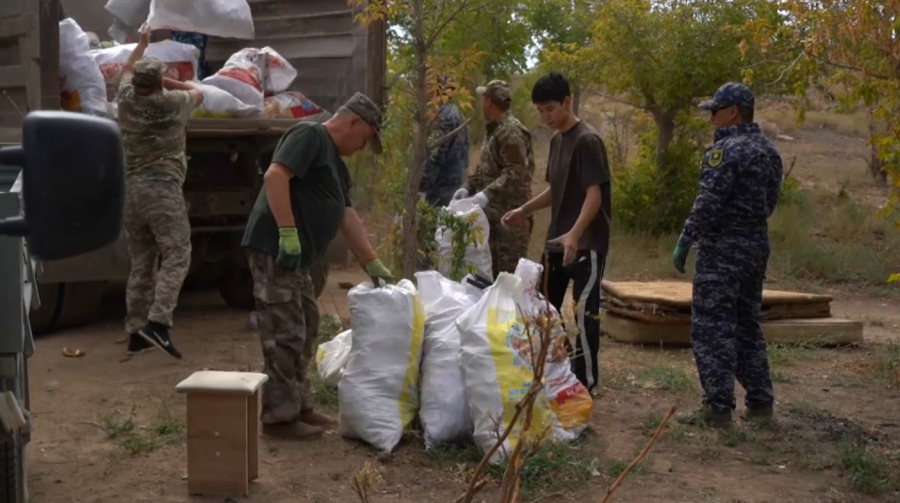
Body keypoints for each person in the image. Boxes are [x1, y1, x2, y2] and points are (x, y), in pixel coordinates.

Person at [242, 92, 394, 440]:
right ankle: (279, 418)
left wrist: (372, 263)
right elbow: (275, 177)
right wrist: (288, 232)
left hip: (299, 259)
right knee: (284, 332)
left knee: (307, 325)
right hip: (276, 249)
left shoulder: (336, 166)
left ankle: (300, 405)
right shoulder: (310, 136)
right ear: (354, 121)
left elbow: (346, 215)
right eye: (366, 138)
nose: (361, 148)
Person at [672, 82, 783, 429]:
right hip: (755, 246)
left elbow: (708, 202)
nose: (711, 120)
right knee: (748, 325)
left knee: (713, 327)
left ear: (733, 112)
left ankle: (718, 408)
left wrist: (685, 239)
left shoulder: (725, 151)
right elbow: (769, 204)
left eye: (715, 112)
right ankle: (761, 402)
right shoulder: (769, 151)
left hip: (722, 250)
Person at [503, 72, 612, 392]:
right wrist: (525, 209)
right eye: (540, 111)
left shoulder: (587, 140)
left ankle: (586, 384)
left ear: (567, 102)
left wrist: (576, 235)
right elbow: (556, 189)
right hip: (556, 240)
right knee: (544, 310)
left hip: (586, 243)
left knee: (583, 316)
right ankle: (561, 372)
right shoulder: (556, 140)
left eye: (550, 109)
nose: (545, 116)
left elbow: (594, 194)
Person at [118, 26, 204, 359]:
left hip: (133, 193)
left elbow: (126, 71)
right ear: (157, 83)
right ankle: (158, 323)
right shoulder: (171, 104)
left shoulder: (125, 99)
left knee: (142, 262)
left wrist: (140, 44)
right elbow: (199, 93)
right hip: (162, 191)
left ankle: (136, 332)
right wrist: (169, 82)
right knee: (178, 253)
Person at [454, 80, 535, 276]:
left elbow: (516, 172)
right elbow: (485, 169)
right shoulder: (494, 130)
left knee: (506, 281)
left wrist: (487, 194)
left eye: (482, 99)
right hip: (492, 220)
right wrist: (468, 187)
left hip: (510, 222)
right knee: (489, 280)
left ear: (488, 101)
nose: (480, 103)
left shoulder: (510, 131)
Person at [420, 76, 469, 207]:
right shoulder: (459, 113)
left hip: (441, 192)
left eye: (429, 88)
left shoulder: (442, 117)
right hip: (457, 187)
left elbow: (435, 158)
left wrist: (418, 187)